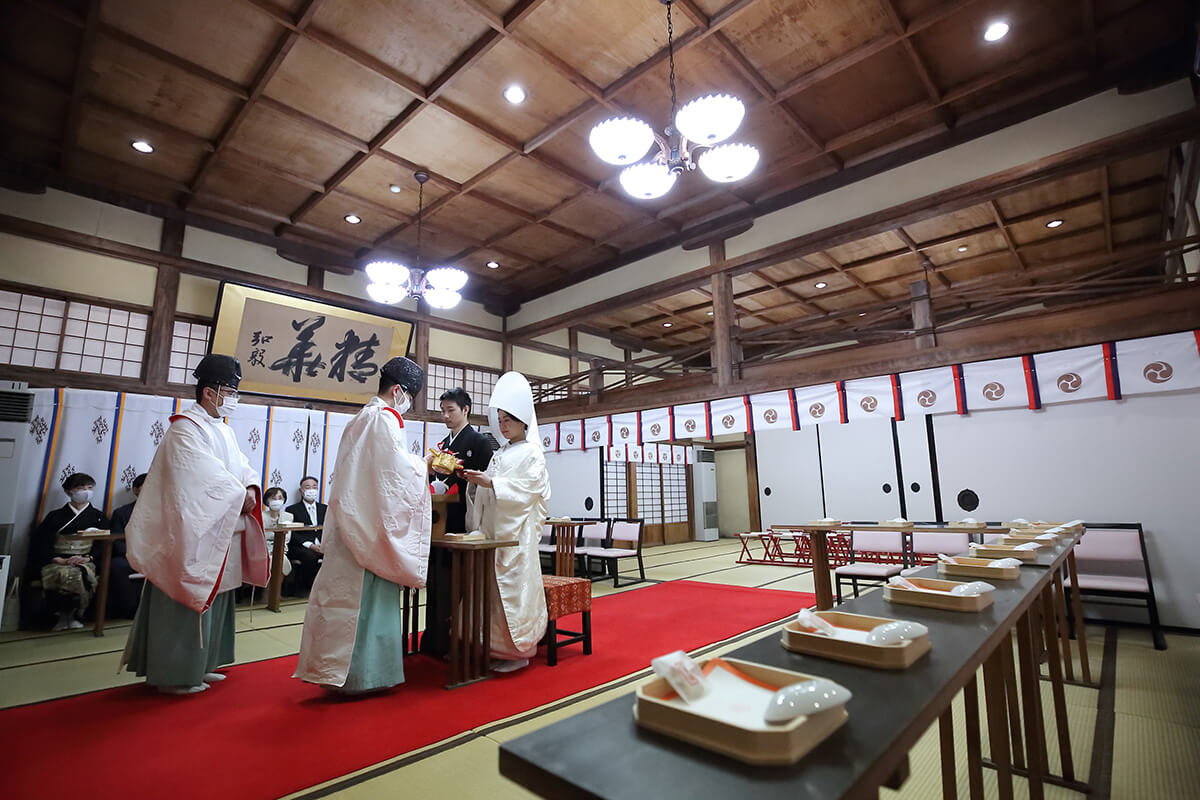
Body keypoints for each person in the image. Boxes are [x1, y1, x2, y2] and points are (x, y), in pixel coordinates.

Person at [121, 354, 269, 695]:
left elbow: (242, 467)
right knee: (187, 598)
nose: (234, 398)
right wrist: (238, 494)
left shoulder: (222, 430)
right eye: (230, 390)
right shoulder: (184, 428)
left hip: (223, 528)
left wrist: (248, 488)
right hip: (193, 534)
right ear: (208, 392)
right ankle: (174, 673)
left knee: (218, 596)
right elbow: (199, 478)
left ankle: (203, 663)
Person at [294, 356, 432, 694]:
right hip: (369, 530)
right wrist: (423, 465)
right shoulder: (384, 419)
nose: (409, 404)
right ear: (398, 390)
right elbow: (394, 475)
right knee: (366, 603)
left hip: (351, 521)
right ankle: (364, 676)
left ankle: (337, 673)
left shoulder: (360, 418)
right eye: (410, 396)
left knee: (342, 601)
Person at [463, 372, 551, 673]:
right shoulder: (501, 452)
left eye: (509, 419)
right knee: (488, 590)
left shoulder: (532, 454)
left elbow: (527, 491)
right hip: (493, 530)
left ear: (524, 420)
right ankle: (488, 646)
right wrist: (476, 485)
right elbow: (492, 484)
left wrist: (492, 484)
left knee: (512, 590)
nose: (503, 425)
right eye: (500, 419)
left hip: (516, 535)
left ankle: (518, 650)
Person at [420, 387, 494, 657]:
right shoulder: (442, 446)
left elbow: (487, 485)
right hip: (440, 521)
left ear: (466, 410)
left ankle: (457, 640)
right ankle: (435, 638)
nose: (446, 416)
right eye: (443, 411)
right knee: (437, 581)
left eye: (451, 410)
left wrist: (462, 475)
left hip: (465, 522)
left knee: (457, 584)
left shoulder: (480, 443)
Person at [23, 473, 110, 631]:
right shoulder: (55, 516)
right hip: (58, 559)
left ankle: (76, 614)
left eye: (89, 488)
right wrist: (57, 559)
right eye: (80, 488)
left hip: (85, 560)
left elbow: (103, 544)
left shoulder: (98, 517)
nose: (85, 491)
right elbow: (41, 542)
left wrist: (88, 557)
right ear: (68, 491)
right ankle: (61, 615)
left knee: (79, 573)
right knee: (62, 573)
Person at [105, 472, 145, 620]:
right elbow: (116, 540)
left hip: (155, 557)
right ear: (135, 490)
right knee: (117, 565)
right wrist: (134, 556)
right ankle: (130, 610)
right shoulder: (121, 513)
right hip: (129, 556)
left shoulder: (165, 511)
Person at [286, 476, 325, 592]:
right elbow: (292, 533)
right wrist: (310, 545)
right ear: (301, 490)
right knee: (309, 556)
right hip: (301, 546)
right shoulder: (292, 509)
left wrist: (324, 544)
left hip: (322, 544)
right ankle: (306, 589)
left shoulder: (325, 508)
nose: (311, 490)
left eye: (314, 487)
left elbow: (330, 529)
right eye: (307, 487)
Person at [262, 487, 294, 584]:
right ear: (267, 500)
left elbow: (287, 538)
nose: (277, 501)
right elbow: (261, 538)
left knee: (281, 559)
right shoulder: (261, 516)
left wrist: (279, 551)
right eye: (273, 498)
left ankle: (275, 593)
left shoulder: (288, 516)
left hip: (281, 550)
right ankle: (267, 594)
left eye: (280, 498)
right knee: (273, 561)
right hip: (264, 550)